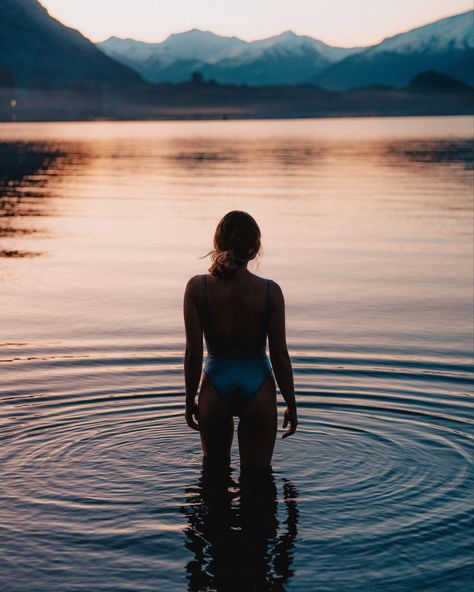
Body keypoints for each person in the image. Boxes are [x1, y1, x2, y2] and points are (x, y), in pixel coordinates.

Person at [183, 211, 297, 468]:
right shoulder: (270, 291)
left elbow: (193, 353)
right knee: (258, 482)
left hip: (216, 385)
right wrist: (291, 403)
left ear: (217, 244)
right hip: (258, 386)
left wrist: (190, 399)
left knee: (213, 478)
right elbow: (280, 355)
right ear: (255, 249)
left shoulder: (197, 288)